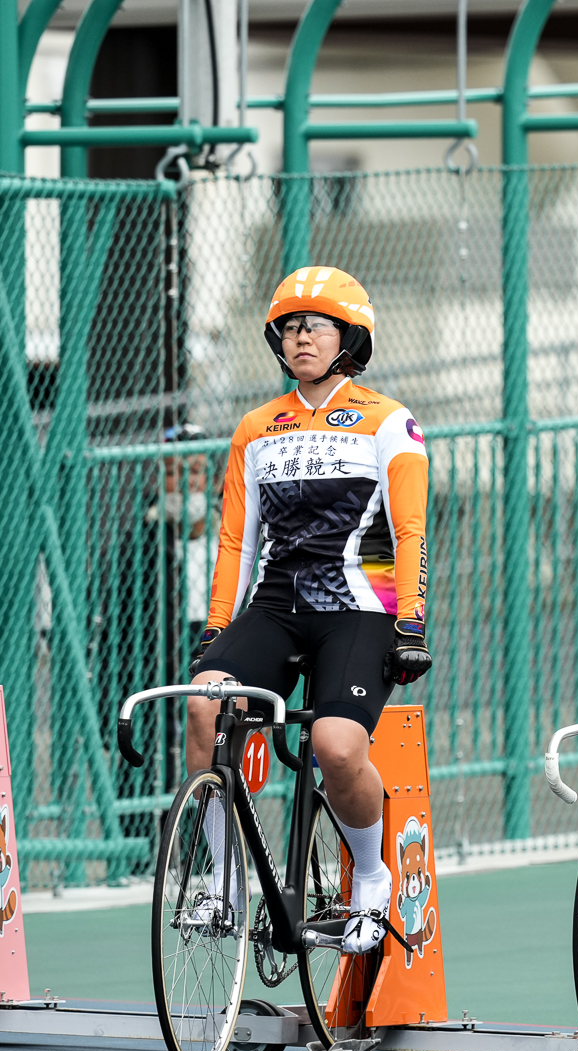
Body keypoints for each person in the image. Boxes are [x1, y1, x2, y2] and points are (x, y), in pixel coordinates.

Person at [188, 266, 431, 955]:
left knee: (335, 744)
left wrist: (410, 621)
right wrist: (215, 628)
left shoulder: (390, 421)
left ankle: (372, 877)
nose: (300, 336)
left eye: (315, 325)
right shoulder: (256, 428)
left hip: (359, 609)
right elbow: (236, 539)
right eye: (289, 326)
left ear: (349, 337)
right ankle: (225, 881)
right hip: (275, 604)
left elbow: (411, 531)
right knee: (204, 705)